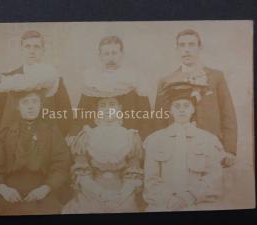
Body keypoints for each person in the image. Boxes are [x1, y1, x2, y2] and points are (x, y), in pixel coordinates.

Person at [0, 89, 71, 215]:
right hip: (10, 191)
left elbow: (61, 166)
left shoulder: (52, 132)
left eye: (34, 101)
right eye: (25, 102)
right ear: (17, 106)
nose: (31, 106)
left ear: (40, 104)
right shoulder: (5, 133)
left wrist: (46, 188)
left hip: (43, 191)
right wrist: (4, 190)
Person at [154, 29, 237, 167]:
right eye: (182, 45)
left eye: (191, 45)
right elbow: (159, 119)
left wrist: (229, 149)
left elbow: (227, 114)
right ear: (177, 49)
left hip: (211, 146)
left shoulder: (216, 77)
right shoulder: (166, 81)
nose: (187, 50)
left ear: (200, 48)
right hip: (177, 146)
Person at [143, 82, 225, 211]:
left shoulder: (208, 140)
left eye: (186, 105)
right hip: (164, 203)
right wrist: (168, 200)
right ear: (170, 110)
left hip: (197, 203)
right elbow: (151, 180)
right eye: (177, 106)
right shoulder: (155, 140)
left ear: (193, 109)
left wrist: (189, 197)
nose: (182, 110)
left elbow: (213, 178)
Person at [0, 30, 72, 137]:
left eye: (36, 47)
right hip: (15, 148)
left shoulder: (55, 79)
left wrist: (53, 141)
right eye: (27, 46)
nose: (32, 51)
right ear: (21, 50)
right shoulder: (8, 79)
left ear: (43, 50)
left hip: (46, 147)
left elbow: (66, 115)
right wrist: (7, 139)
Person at [62, 97, 143, 213]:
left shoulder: (130, 136)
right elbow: (81, 174)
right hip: (91, 190)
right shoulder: (86, 136)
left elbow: (133, 174)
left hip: (122, 191)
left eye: (112, 104)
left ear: (119, 108)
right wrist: (100, 193)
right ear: (97, 110)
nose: (107, 109)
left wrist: (121, 196)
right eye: (103, 105)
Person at [68, 35, 152, 142]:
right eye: (106, 54)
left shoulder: (135, 78)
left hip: (128, 139)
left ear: (122, 54)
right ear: (100, 56)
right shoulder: (92, 79)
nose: (110, 58)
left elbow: (145, 117)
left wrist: (143, 141)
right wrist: (74, 135)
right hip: (96, 139)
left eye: (114, 53)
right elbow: (81, 115)